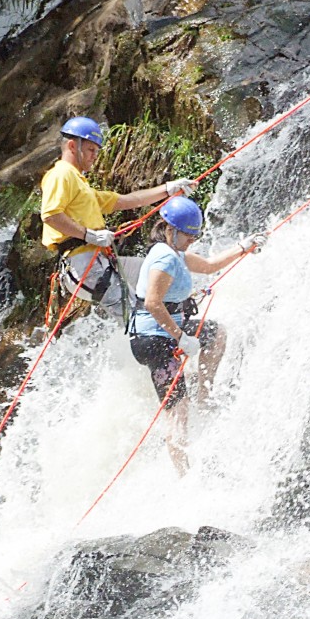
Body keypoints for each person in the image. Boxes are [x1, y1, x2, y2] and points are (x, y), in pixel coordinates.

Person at [129, 196, 268, 474]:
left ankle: (204, 394)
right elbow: (153, 303)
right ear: (170, 229)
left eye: (195, 236)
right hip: (153, 341)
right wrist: (181, 337)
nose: (191, 241)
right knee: (178, 414)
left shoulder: (176, 253)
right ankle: (184, 475)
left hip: (167, 330)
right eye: (188, 236)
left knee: (215, 334)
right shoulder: (164, 258)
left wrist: (243, 248)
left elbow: (208, 266)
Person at [40, 116, 196, 309]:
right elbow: (50, 215)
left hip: (100, 261)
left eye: (96, 151)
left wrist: (168, 189)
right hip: (84, 266)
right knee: (136, 316)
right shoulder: (61, 174)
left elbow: (127, 201)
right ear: (72, 146)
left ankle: (179, 315)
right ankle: (168, 332)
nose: (94, 156)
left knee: (161, 271)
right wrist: (89, 235)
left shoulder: (81, 184)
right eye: (90, 149)